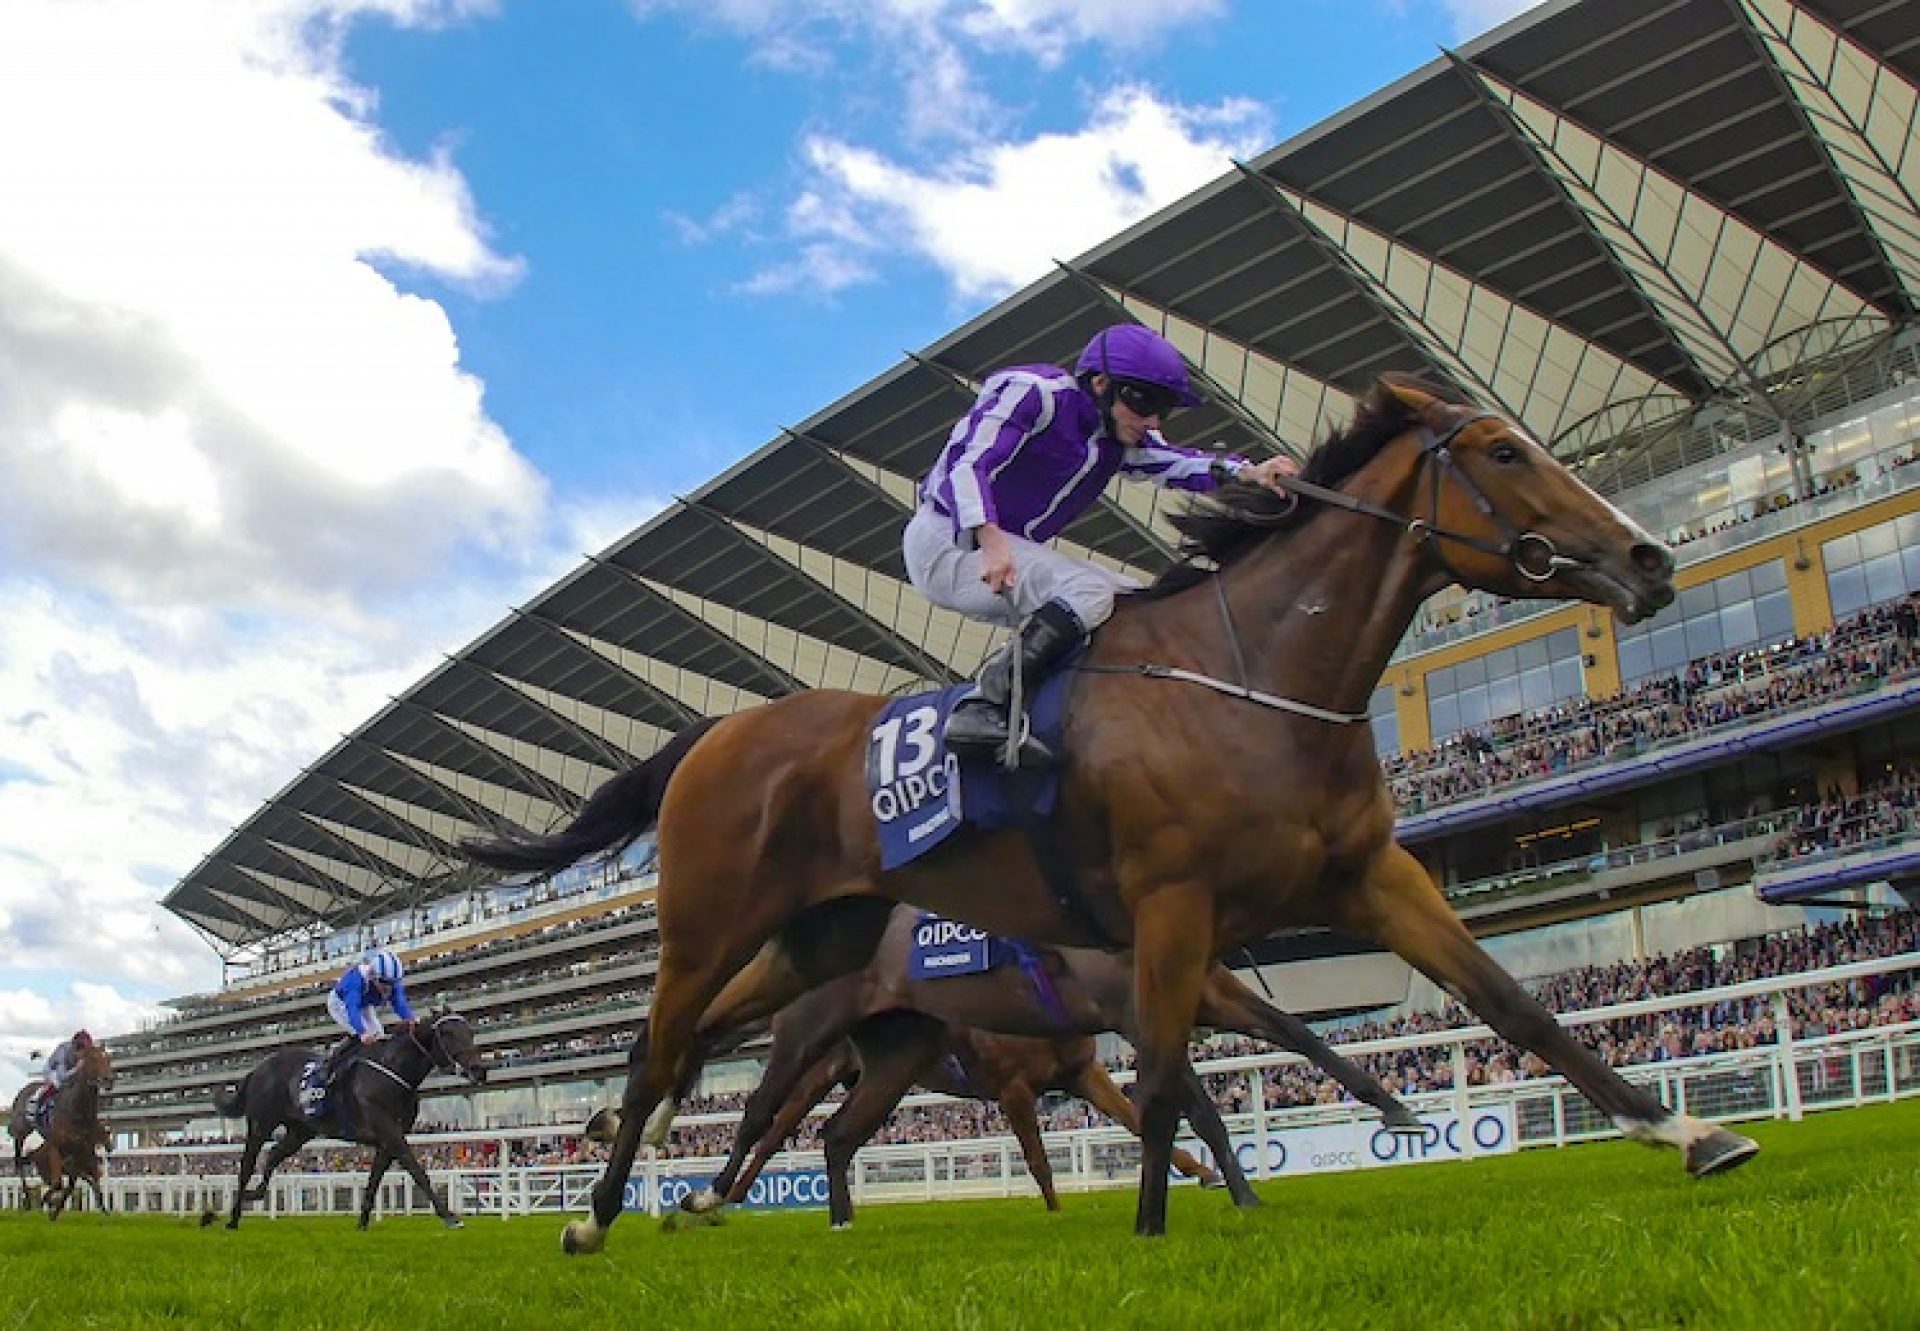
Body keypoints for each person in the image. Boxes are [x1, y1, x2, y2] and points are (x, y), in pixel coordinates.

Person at [904, 323, 1301, 764]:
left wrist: (1250, 473)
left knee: (1138, 603)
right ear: (1100, 383)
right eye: (1145, 403)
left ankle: (1074, 718)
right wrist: (989, 536)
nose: (1153, 421)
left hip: (1002, 546)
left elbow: (1175, 462)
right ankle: (984, 706)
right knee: (1088, 592)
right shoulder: (1032, 393)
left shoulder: (1117, 437)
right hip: (947, 541)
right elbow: (966, 464)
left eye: (1163, 409)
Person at [321, 949, 415, 1085]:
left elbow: (400, 1004)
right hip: (341, 1004)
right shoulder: (355, 980)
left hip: (364, 1003)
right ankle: (332, 1061)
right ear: (372, 975)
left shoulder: (392, 982)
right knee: (365, 1036)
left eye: (391, 983)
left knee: (379, 1035)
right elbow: (352, 1009)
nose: (388, 987)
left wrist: (411, 1020)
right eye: (383, 982)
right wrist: (362, 1032)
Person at [34, 1029, 93, 1111]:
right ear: (76, 1046)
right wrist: (76, 1068)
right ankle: (39, 1106)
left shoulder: (80, 1052)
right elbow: (62, 1076)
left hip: (68, 1069)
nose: (83, 1053)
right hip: (53, 1070)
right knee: (56, 1084)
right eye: (83, 1050)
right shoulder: (63, 1050)